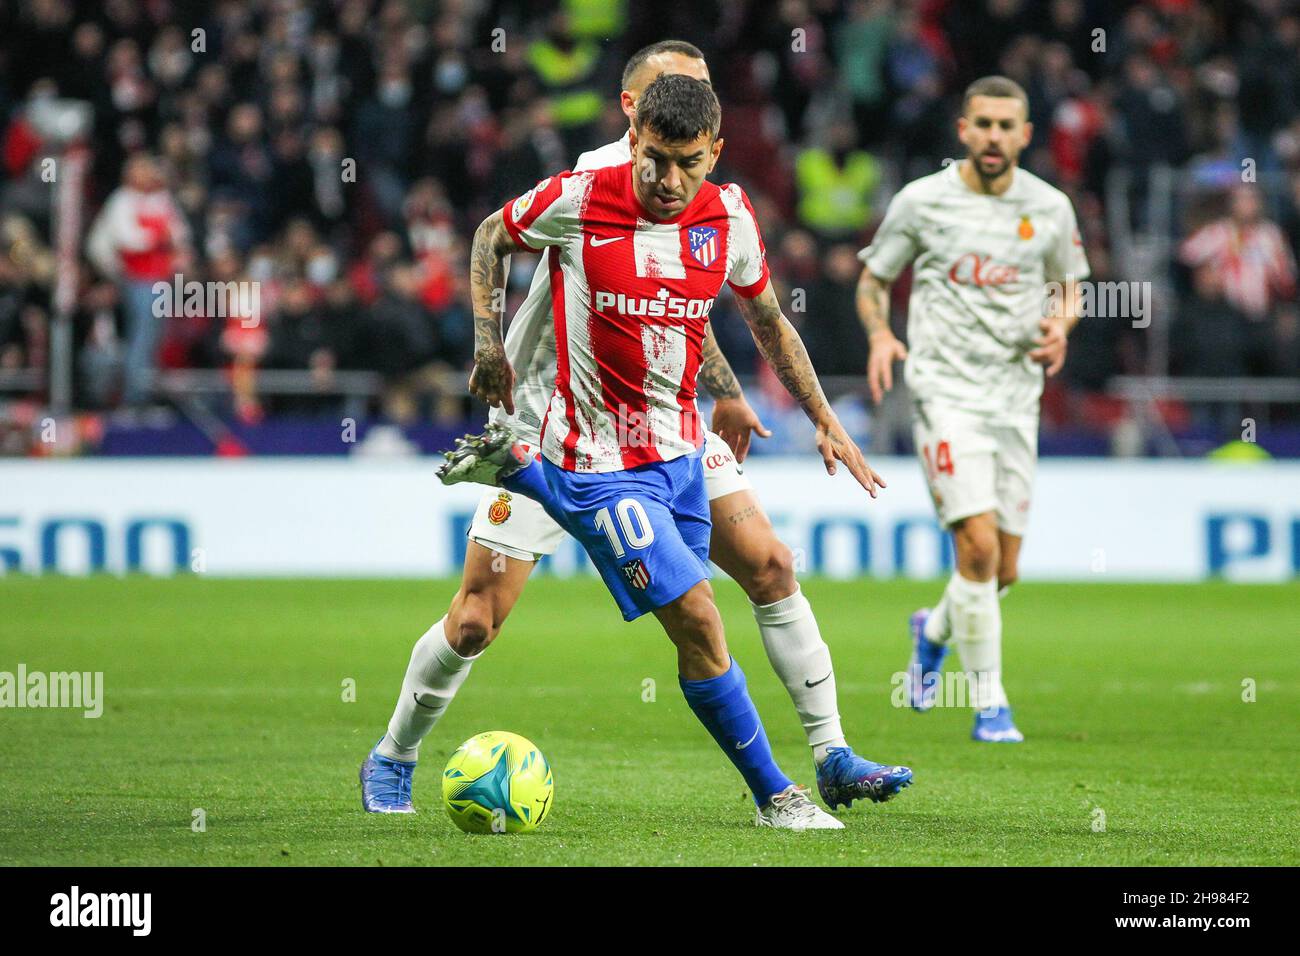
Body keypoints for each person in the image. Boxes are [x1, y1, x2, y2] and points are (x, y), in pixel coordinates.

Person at [361, 42, 912, 822]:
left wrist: (752, 399)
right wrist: (487, 348)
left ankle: (829, 755)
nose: (670, 175)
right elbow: (496, 239)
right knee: (477, 620)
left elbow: (689, 302)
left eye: (702, 98)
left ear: (714, 138)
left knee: (770, 565)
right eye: (663, 131)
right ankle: (394, 754)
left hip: (669, 428)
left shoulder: (721, 209)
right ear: (633, 111)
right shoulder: (588, 187)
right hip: (552, 421)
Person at [856, 76, 1089, 742]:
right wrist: (879, 333)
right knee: (978, 547)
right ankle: (991, 705)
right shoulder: (923, 202)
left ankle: (931, 632)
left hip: (1016, 398)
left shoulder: (1049, 208)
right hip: (945, 391)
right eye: (981, 124)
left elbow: (1069, 288)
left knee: (1001, 569)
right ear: (963, 130)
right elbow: (873, 279)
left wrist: (1061, 325)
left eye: (1004, 125)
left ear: (1024, 135)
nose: (992, 136)